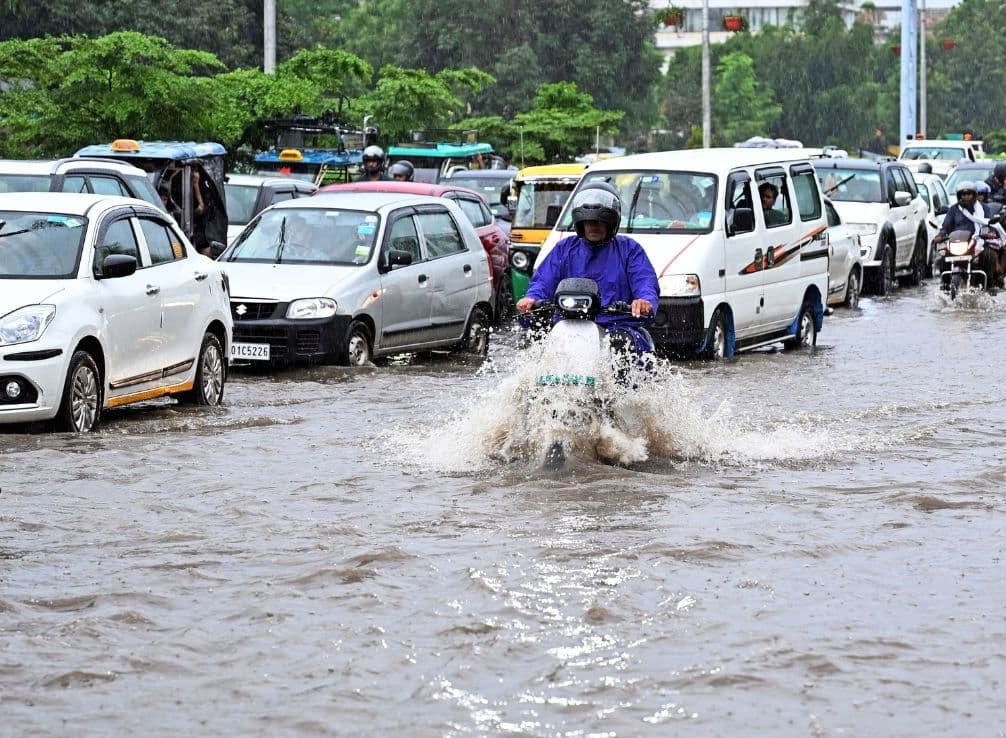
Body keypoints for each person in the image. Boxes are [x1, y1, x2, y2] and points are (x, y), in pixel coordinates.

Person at [516, 183, 659, 355]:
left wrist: (643, 301)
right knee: (537, 343)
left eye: (599, 221)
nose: (593, 226)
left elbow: (645, 282)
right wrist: (531, 299)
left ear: (611, 223)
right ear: (580, 223)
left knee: (621, 343)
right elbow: (543, 281)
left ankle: (625, 383)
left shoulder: (629, 250)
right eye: (588, 221)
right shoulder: (564, 248)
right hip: (568, 323)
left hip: (617, 327)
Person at [934, 181, 1000, 287]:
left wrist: (991, 232)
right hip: (957, 244)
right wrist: (940, 235)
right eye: (963, 194)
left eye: (969, 194)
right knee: (942, 258)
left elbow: (991, 224)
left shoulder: (984, 209)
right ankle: (945, 286)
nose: (966, 197)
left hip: (977, 243)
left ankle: (990, 285)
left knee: (989, 255)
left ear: (974, 195)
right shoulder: (953, 210)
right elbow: (946, 227)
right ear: (959, 196)